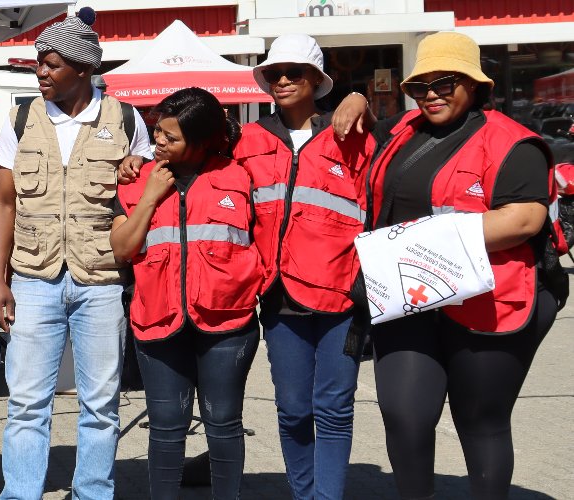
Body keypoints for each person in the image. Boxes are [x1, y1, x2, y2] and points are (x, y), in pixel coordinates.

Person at [333, 32, 557, 500]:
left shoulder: (515, 144)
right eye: (420, 86)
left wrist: (421, 240)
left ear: (474, 84)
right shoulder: (401, 131)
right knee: (404, 415)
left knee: (481, 423)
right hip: (408, 297)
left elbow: (525, 219)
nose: (431, 94)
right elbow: (366, 137)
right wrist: (355, 96)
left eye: (444, 83)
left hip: (488, 302)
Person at [0, 10, 150, 500]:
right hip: (33, 278)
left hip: (101, 281)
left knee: (101, 404)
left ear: (83, 69)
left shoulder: (124, 119)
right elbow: (3, 200)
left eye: (52, 65)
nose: (41, 73)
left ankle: (93, 492)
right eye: (39, 64)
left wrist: (134, 166)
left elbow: (139, 195)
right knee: (27, 402)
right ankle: (20, 494)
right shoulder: (19, 118)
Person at [232, 34, 372, 500]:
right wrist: (138, 161)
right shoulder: (248, 139)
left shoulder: (352, 134)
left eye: (295, 72)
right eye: (275, 73)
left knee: (332, 408)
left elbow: (396, 164)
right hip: (277, 296)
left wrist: (360, 99)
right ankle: (304, 493)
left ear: (316, 79)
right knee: (292, 410)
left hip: (341, 297)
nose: (284, 80)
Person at [110, 88, 260, 500]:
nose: (158, 142)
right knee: (166, 427)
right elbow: (122, 250)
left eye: (170, 137)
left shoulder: (240, 176)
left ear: (201, 141)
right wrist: (149, 197)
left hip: (228, 322)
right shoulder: (136, 178)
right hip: (158, 321)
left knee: (224, 422)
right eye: (157, 131)